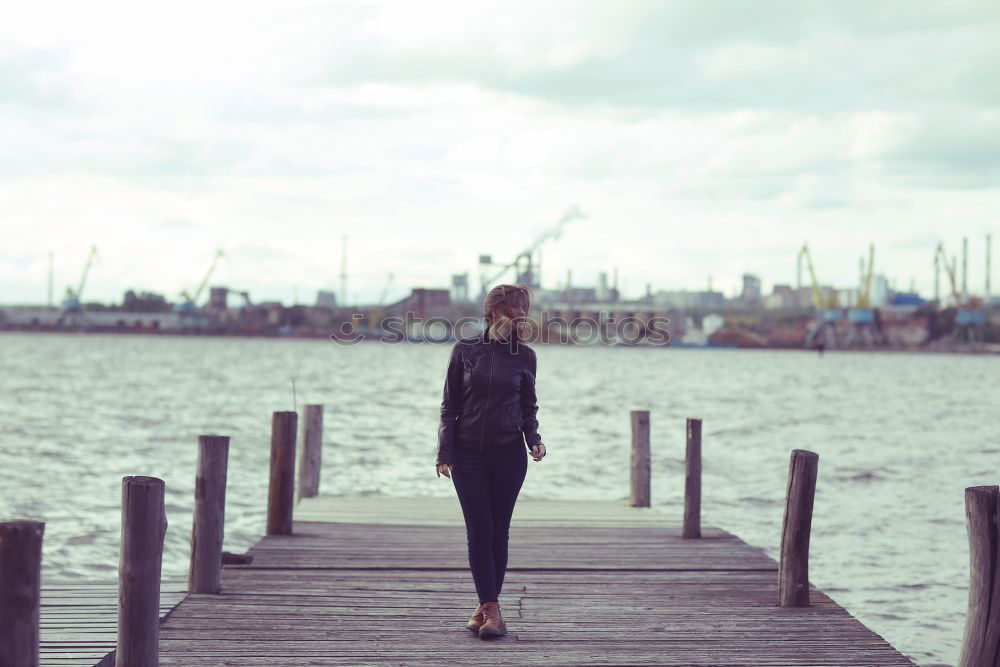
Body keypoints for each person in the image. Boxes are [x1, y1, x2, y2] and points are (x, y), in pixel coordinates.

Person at [435, 283, 546, 639]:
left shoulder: (525, 357)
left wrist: (535, 439)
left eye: (524, 309)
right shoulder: (465, 351)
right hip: (468, 456)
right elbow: (450, 406)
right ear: (494, 311)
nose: (521, 315)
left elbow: (528, 407)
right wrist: (445, 451)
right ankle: (494, 611)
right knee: (480, 531)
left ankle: (484, 606)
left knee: (500, 533)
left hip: (509, 455)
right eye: (515, 308)